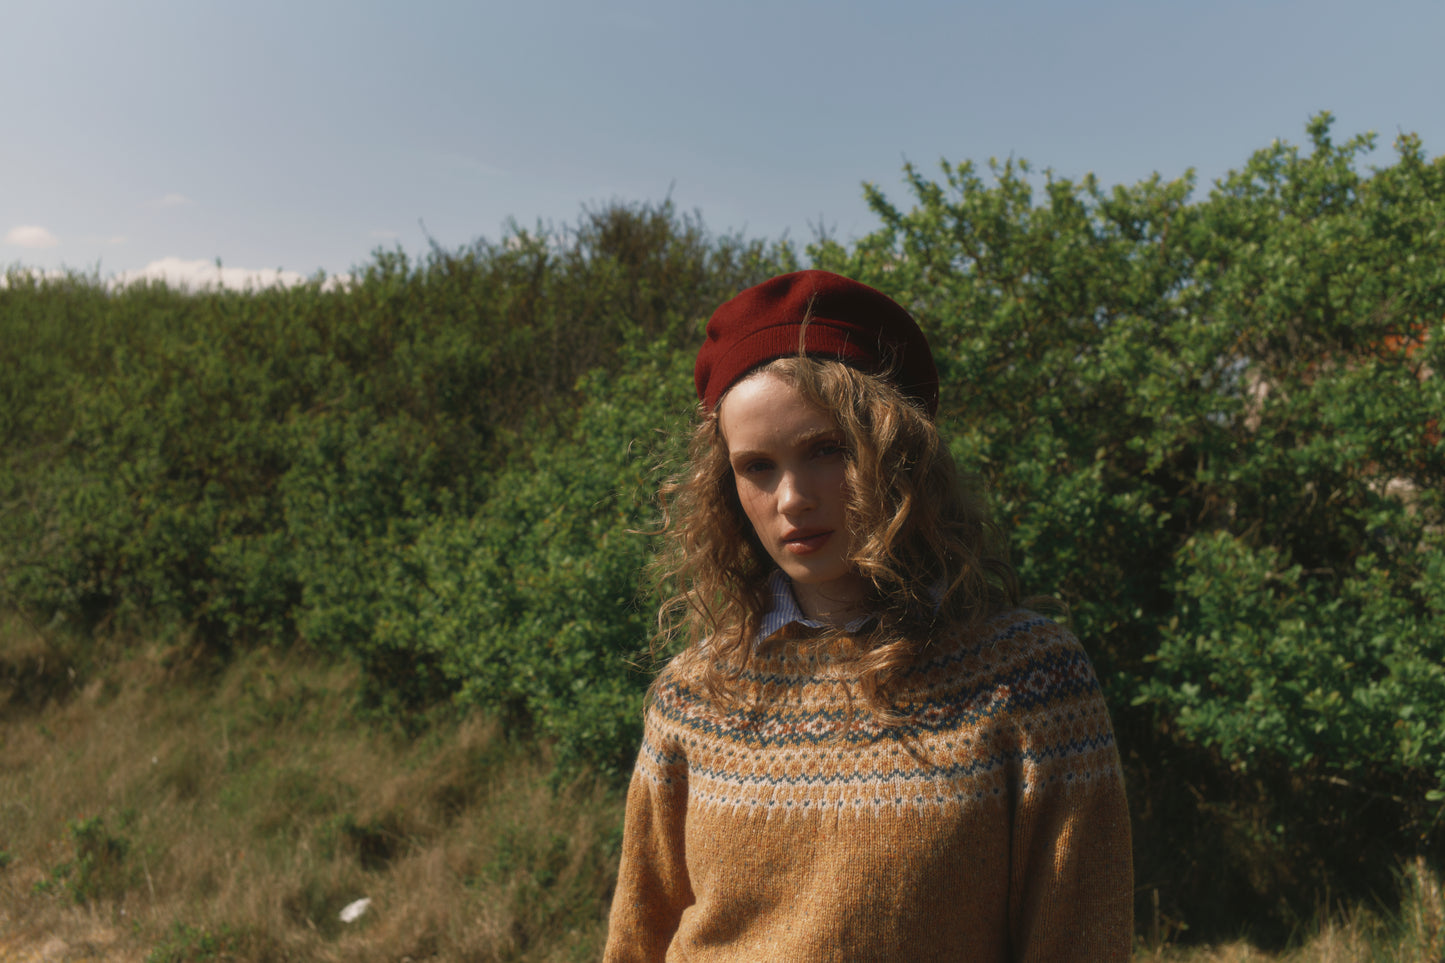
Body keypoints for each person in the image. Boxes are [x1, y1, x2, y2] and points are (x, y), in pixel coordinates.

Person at [603, 270, 1133, 962]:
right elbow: (636, 938)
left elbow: (1078, 938)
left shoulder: (1030, 678)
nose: (791, 497)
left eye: (826, 450)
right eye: (756, 467)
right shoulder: (693, 693)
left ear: (896, 450)